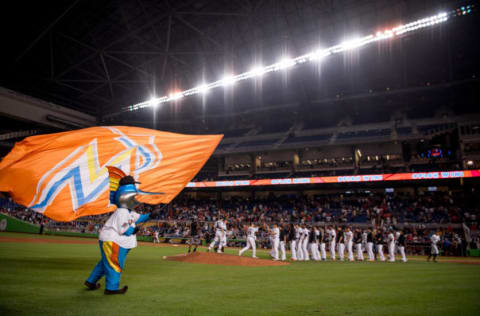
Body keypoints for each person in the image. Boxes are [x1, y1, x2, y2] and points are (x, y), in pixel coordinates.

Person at [85, 175, 153, 295]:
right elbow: (125, 230)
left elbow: (139, 218)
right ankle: (111, 288)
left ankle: (91, 282)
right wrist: (134, 230)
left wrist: (151, 215)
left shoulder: (129, 211)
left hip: (113, 240)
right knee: (114, 264)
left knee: (105, 263)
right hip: (114, 241)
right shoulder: (122, 211)